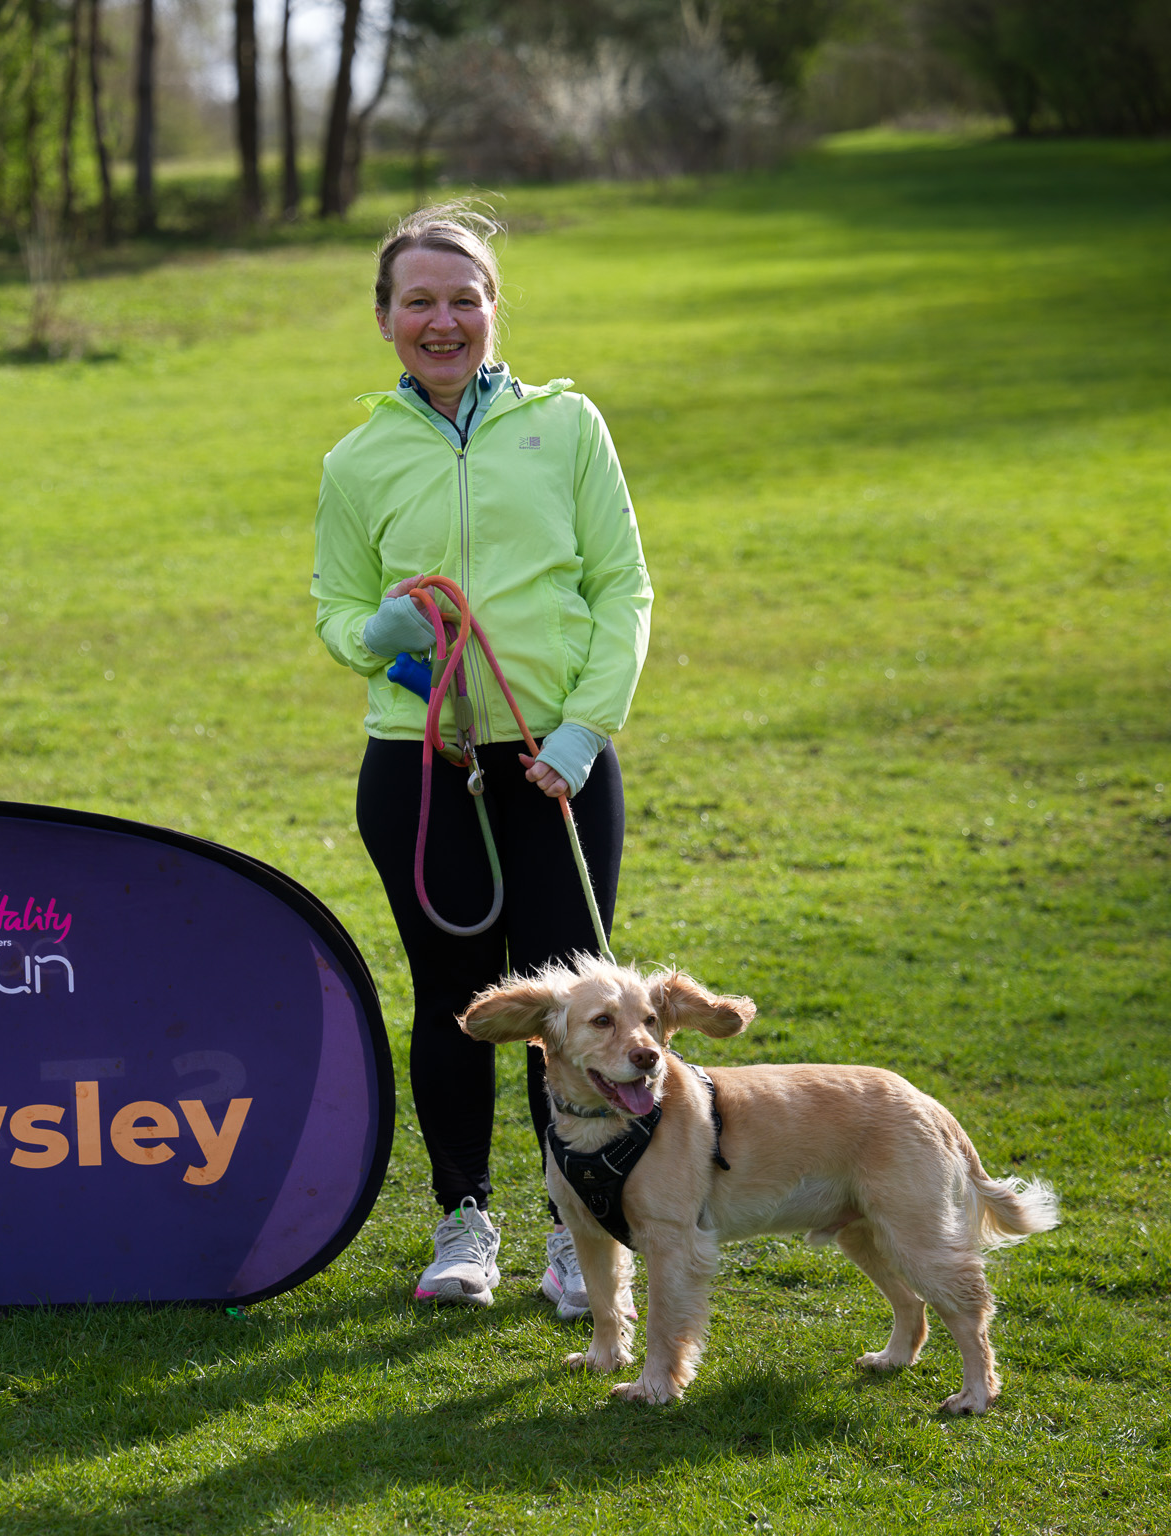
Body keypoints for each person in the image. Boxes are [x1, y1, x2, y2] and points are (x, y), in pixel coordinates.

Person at [311, 204, 653, 1316]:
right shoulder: (356, 460)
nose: (442, 321)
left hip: (556, 766)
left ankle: (576, 1234)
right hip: (420, 767)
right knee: (454, 999)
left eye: (464, 299)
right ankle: (464, 1220)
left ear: (494, 311)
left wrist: (583, 730)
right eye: (418, 301)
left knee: (575, 1008)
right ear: (384, 318)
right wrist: (381, 634)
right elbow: (335, 614)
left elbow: (621, 587)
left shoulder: (568, 426)